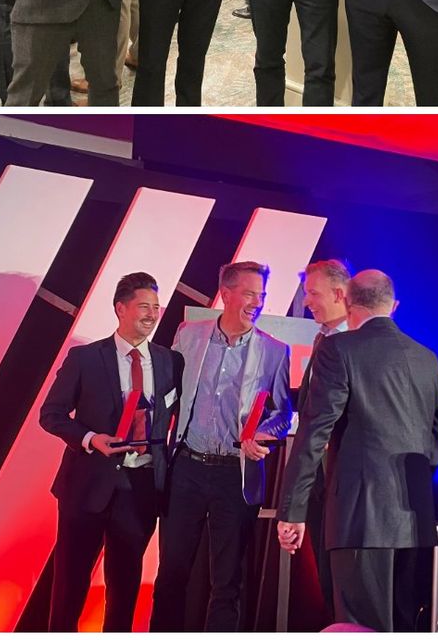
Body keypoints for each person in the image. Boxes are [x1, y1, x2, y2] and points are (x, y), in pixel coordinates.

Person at [277, 270, 438, 631]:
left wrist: (292, 510)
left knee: (357, 628)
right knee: (402, 627)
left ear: (349, 303)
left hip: (360, 518)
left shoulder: (339, 349)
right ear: (392, 305)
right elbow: (435, 443)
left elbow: (313, 433)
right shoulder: (427, 358)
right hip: (414, 520)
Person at [151, 261, 292, 631]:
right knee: (171, 573)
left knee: (227, 580)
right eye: (249, 293)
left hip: (237, 473)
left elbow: (282, 413)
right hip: (187, 468)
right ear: (226, 294)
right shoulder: (188, 335)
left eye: (261, 295)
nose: (257, 302)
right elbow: (168, 394)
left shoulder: (274, 351)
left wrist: (263, 435)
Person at [39, 273, 182, 631]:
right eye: (143, 306)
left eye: (156, 307)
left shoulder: (170, 362)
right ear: (121, 308)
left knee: (125, 588)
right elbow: (51, 415)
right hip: (86, 486)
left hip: (141, 489)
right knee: (70, 585)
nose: (152, 314)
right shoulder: (85, 357)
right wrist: (90, 438)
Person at [296, 259, 351, 621]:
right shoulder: (322, 339)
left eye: (313, 293)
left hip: (347, 485)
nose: (306, 302)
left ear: (338, 293)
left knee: (348, 586)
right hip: (318, 481)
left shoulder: (355, 344)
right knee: (328, 583)